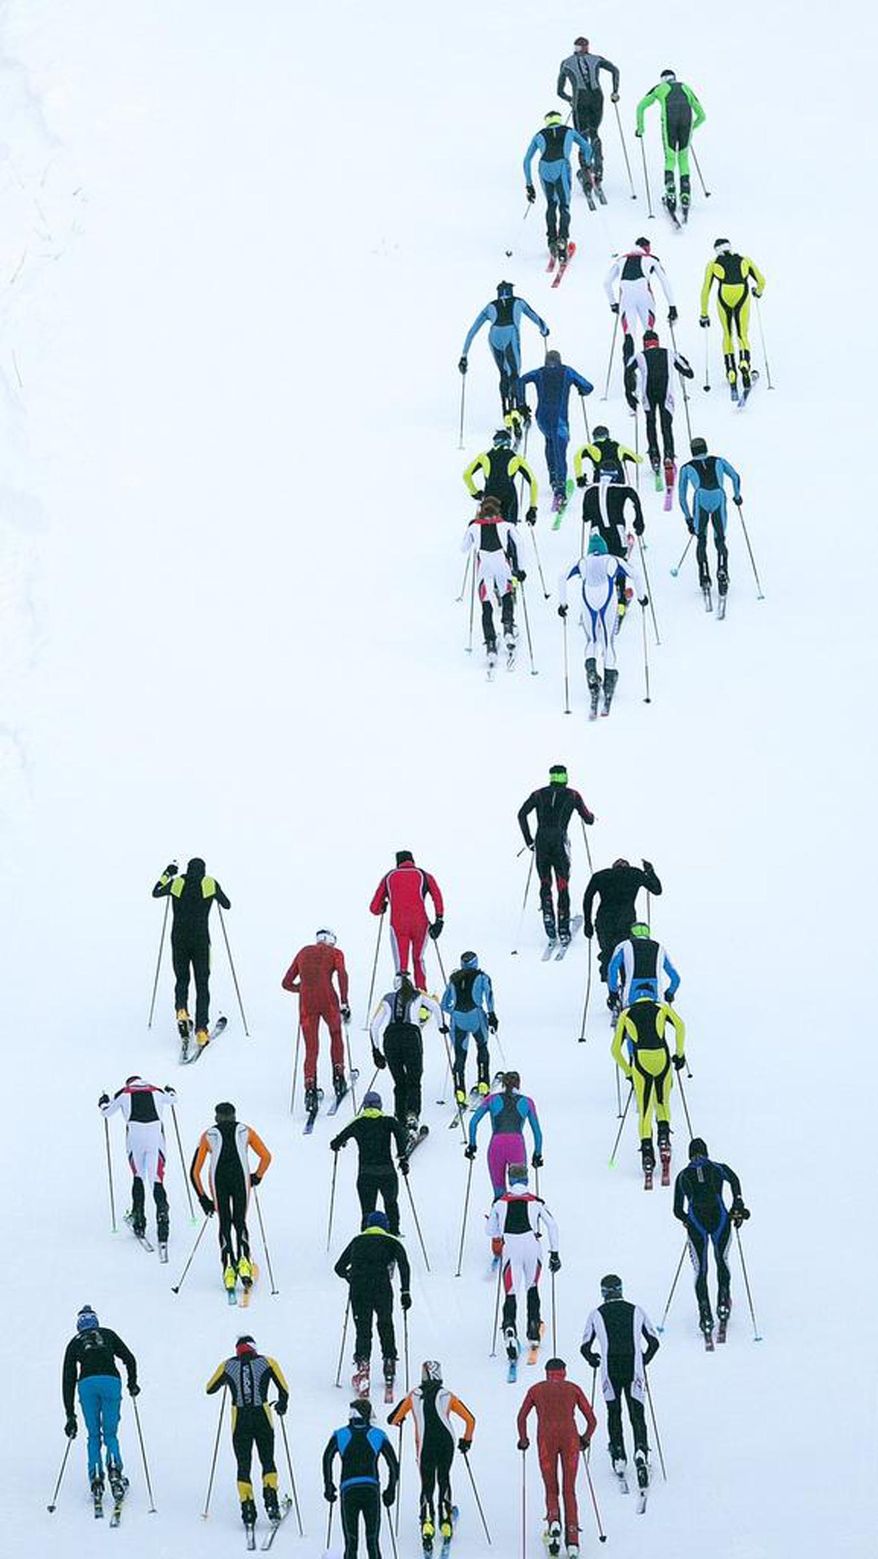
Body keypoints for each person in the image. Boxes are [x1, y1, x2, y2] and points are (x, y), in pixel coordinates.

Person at [580, 1274, 658, 1491]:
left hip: (609, 1369)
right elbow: (654, 1342)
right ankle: (641, 1451)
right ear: (621, 1290)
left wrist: (594, 1359)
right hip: (634, 1368)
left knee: (614, 1412)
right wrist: (644, 1360)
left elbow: (585, 1347)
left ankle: (619, 1456)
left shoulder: (596, 1314)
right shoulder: (637, 1310)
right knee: (637, 1413)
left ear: (603, 1293)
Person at [205, 1334, 289, 1533]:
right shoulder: (267, 1362)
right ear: (254, 1348)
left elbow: (209, 1388)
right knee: (267, 1460)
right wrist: (282, 1405)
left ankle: (248, 1508)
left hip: (240, 1420)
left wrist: (228, 1382)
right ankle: (271, 1501)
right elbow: (284, 1390)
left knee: (244, 1464)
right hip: (262, 1416)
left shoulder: (228, 1365)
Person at [388, 1361, 476, 1552]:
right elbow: (470, 1419)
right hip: (447, 1443)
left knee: (427, 1483)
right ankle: (446, 1523)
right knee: (444, 1478)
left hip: (425, 1445)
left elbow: (392, 1419)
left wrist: (402, 1417)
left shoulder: (414, 1395)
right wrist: (466, 1441)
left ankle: (427, 1524)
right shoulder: (447, 1395)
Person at [558, 534, 647, 719]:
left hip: (587, 597)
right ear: (605, 548)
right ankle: (608, 681)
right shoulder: (613, 559)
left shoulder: (583, 561)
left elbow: (561, 576)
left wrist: (563, 604)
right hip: (607, 597)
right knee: (607, 641)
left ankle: (591, 672)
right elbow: (636, 574)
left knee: (592, 639)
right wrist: (641, 597)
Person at [190, 1102, 272, 1298]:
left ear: (216, 1117)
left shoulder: (208, 1135)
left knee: (224, 1222)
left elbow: (194, 1172)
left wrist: (204, 1199)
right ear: (234, 1116)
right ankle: (244, 1263)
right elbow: (266, 1157)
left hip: (218, 1181)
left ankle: (228, 1268)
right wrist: (257, 1177)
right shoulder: (245, 1130)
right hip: (240, 1178)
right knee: (240, 1221)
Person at [516, 1358, 596, 1558]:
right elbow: (592, 1420)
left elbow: (521, 1417)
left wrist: (524, 1439)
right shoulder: (573, 1388)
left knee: (551, 1487)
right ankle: (573, 1539)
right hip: (570, 1438)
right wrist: (584, 1438)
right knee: (569, 1489)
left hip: (546, 1439)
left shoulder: (536, 1390)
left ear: (546, 1373)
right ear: (564, 1372)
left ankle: (553, 1521)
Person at [673, 1138, 750, 1340]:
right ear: (706, 1152)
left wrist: (686, 1221)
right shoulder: (717, 1168)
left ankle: (705, 1315)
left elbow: (676, 1210)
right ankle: (723, 1304)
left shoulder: (682, 1176)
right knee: (721, 1261)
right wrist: (738, 1205)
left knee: (701, 1270)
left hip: (696, 1224)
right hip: (720, 1220)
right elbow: (734, 1180)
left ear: (690, 1155)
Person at [62, 1306, 138, 1509]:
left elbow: (68, 1379)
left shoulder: (75, 1342)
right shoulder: (108, 1334)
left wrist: (70, 1415)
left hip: (86, 1384)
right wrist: (132, 1383)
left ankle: (96, 1478)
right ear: (96, 1322)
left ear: (79, 1325)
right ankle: (114, 1471)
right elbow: (129, 1359)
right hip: (110, 1381)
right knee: (110, 1434)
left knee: (94, 1435)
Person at [151, 857, 231, 1051]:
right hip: (201, 941)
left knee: (182, 979)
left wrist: (168, 872)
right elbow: (227, 904)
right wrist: (214, 896)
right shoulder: (209, 883)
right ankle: (202, 1030)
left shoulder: (177, 882)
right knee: (202, 984)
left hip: (178, 939)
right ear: (203, 870)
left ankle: (181, 1011)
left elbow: (156, 892)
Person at [334, 1209, 412, 1400]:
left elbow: (338, 1268)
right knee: (385, 1323)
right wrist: (405, 1292)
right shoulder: (392, 1242)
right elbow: (404, 1265)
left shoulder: (357, 1241)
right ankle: (389, 1363)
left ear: (368, 1225)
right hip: (382, 1288)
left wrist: (349, 1276)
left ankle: (363, 1367)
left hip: (359, 1288)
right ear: (385, 1226)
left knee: (363, 1328)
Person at [487, 1163, 560, 1366]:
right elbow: (552, 1225)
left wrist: (497, 1228)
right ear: (527, 1179)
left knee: (511, 1292)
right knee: (532, 1287)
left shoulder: (500, 1202)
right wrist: (555, 1253)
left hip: (510, 1248)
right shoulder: (535, 1201)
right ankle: (533, 1329)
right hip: (531, 1246)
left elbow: (490, 1231)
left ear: (510, 1179)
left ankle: (509, 1327)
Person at [517, 763, 595, 943]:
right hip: (560, 840)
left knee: (545, 881)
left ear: (551, 777)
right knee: (562, 883)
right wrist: (591, 817)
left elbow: (521, 814)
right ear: (565, 777)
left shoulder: (538, 793)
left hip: (541, 840)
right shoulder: (573, 795)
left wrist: (529, 841)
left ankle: (548, 915)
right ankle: (563, 926)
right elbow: (587, 818)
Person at [611, 996, 687, 1181]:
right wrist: (679, 1054)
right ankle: (663, 1137)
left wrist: (628, 1072)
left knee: (645, 1110)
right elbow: (680, 1026)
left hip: (641, 1060)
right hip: (662, 1057)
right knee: (662, 1103)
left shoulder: (626, 1013)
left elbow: (615, 1049)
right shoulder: (661, 1007)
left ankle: (647, 1151)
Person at [370, 971, 446, 1143]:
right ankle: (412, 1116)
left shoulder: (387, 998)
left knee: (399, 1082)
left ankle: (399, 1119)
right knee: (414, 1079)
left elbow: (374, 1025)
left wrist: (376, 1051)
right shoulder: (417, 994)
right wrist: (442, 1026)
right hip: (411, 1036)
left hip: (390, 1039)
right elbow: (435, 1006)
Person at [281, 928, 351, 1114]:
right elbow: (342, 975)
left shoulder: (303, 952)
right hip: (328, 999)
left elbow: (286, 983)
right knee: (336, 1035)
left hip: (307, 1002)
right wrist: (344, 1002)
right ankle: (339, 1077)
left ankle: (310, 1089)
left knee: (311, 1048)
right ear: (330, 941)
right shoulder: (335, 953)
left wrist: (304, 988)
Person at [98, 1075, 174, 1246]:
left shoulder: (124, 1092)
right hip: (156, 1137)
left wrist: (103, 1101)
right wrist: (170, 1090)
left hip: (135, 1137)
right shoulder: (156, 1090)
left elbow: (106, 1112)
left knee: (138, 1175)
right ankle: (162, 1213)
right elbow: (173, 1099)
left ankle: (139, 1218)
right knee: (156, 1178)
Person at [459, 282, 550, 416]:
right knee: (514, 373)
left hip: (494, 337)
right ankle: (518, 409)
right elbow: (536, 318)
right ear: (511, 291)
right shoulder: (518, 301)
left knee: (503, 373)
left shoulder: (490, 306)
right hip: (510, 334)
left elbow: (472, 331)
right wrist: (544, 330)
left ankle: (505, 411)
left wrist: (464, 356)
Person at [323, 1400, 399, 1559]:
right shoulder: (378, 1434)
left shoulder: (340, 1434)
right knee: (372, 1542)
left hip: (348, 1491)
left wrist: (328, 1485)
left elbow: (327, 1457)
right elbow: (393, 1464)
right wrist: (390, 1490)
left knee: (351, 1543)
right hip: (371, 1490)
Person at [519, 351, 594, 508]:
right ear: (559, 360)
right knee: (560, 451)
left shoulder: (539, 372)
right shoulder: (567, 371)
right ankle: (560, 490)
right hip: (559, 418)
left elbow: (519, 382)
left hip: (542, 419)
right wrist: (581, 389)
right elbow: (588, 387)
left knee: (549, 442)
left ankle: (553, 478)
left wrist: (522, 405)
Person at [330, 1091, 409, 1236]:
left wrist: (337, 1145)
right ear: (380, 1106)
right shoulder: (388, 1121)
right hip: (387, 1173)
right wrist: (402, 1157)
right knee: (391, 1204)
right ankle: (394, 1233)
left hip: (366, 1174)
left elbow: (336, 1142)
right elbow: (400, 1134)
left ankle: (367, 1238)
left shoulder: (358, 1123)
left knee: (367, 1209)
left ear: (365, 1106)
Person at [461, 495, 526, 666]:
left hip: (484, 569)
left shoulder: (475, 527)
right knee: (506, 593)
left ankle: (490, 642)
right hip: (502, 566)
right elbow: (520, 544)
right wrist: (521, 569)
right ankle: (508, 628)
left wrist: (470, 529)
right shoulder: (506, 525)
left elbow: (463, 549)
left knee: (486, 604)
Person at [624, 328, 693, 485]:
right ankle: (668, 454)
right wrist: (686, 370)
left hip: (648, 393)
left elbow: (628, 370)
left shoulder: (639, 356)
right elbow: (688, 370)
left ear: (644, 344)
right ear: (658, 342)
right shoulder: (669, 353)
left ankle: (654, 454)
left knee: (650, 423)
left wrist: (629, 394)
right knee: (666, 425)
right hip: (666, 392)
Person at [369, 850, 444, 993]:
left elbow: (373, 908)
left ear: (398, 863)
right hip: (421, 925)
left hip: (398, 926)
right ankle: (422, 995)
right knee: (418, 958)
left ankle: (401, 997)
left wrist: (382, 907)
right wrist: (439, 920)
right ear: (412, 861)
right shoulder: (424, 875)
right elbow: (437, 896)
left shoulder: (389, 877)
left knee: (401, 967)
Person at [699, 239, 765, 399]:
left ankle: (731, 371)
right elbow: (761, 280)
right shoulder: (745, 260)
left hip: (724, 296)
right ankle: (744, 363)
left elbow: (705, 290)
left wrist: (704, 314)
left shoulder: (713, 264)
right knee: (742, 334)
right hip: (742, 293)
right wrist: (758, 291)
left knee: (727, 334)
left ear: (717, 250)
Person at [523, 111, 594, 262]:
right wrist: (587, 165)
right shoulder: (569, 131)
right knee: (564, 205)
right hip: (561, 167)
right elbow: (587, 147)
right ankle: (562, 240)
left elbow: (526, 160)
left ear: (547, 121)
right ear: (559, 120)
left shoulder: (539, 135)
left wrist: (529, 185)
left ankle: (551, 241)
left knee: (551, 204)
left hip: (544, 169)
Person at [635, 70, 706, 217]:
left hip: (669, 122)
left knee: (670, 158)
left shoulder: (659, 88)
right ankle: (685, 194)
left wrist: (640, 129)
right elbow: (702, 115)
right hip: (686, 122)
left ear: (663, 80)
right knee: (683, 159)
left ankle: (670, 191)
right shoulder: (685, 87)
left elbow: (640, 107)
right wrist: (692, 127)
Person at [678, 436, 742, 598]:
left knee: (701, 539)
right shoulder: (719, 461)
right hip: (719, 497)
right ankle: (722, 570)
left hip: (700, 499)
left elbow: (681, 496)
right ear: (706, 448)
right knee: (720, 538)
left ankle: (704, 576)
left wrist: (688, 518)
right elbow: (735, 476)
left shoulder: (686, 468)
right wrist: (737, 496)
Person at [582, 857, 663, 983]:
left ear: (613, 867)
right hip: (626, 921)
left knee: (608, 953)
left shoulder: (601, 876)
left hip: (604, 921)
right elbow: (657, 890)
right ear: (627, 867)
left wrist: (588, 923)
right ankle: (626, 986)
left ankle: (609, 983)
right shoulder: (635, 874)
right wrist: (650, 871)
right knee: (626, 956)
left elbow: (588, 898)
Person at [556, 36, 620, 190]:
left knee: (582, 136)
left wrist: (570, 99)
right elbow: (615, 70)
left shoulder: (566, 63)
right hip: (597, 97)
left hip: (580, 99)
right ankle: (598, 169)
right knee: (594, 132)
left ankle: (586, 173)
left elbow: (559, 91)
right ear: (587, 47)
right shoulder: (596, 59)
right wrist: (615, 92)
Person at [466, 1069, 543, 1195]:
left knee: (499, 1192)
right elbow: (537, 1133)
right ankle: (519, 1212)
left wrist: (472, 1145)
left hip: (496, 1146)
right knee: (519, 1191)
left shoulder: (491, 1100)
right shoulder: (528, 1102)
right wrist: (537, 1154)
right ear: (518, 1084)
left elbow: (473, 1122)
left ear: (503, 1084)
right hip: (516, 1146)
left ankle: (498, 1212)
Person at [604, 239, 676, 363]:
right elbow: (665, 282)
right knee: (649, 331)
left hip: (626, 297)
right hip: (644, 295)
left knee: (629, 335)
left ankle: (628, 371)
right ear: (646, 248)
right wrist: (672, 306)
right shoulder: (652, 259)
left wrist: (613, 303)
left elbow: (606, 283)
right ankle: (653, 367)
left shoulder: (620, 260)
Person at [441, 951, 497, 1108]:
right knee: (482, 1046)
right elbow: (489, 996)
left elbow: (444, 1004)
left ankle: (459, 1091)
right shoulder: (482, 977)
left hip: (457, 1019)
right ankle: (483, 1083)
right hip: (476, 1016)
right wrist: (492, 1015)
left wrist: (453, 1012)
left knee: (460, 1054)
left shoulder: (453, 979)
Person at [463, 427, 538, 526]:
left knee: (488, 530)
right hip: (509, 496)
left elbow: (466, 475)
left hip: (490, 496)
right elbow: (533, 482)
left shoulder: (484, 456)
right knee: (509, 530)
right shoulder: (516, 458)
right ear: (508, 442)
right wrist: (532, 508)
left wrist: (475, 493)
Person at [607, 921, 680, 1010]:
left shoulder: (625, 945)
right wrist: (670, 993)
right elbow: (676, 978)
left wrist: (613, 992)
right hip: (656, 996)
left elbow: (612, 969)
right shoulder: (660, 948)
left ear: (632, 933)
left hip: (631, 995)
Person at [573, 424, 642, 487]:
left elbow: (576, 457)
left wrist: (579, 477)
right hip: (619, 482)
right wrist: (624, 457)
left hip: (599, 483)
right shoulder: (619, 447)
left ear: (594, 437)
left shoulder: (590, 447)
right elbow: (639, 460)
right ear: (607, 435)